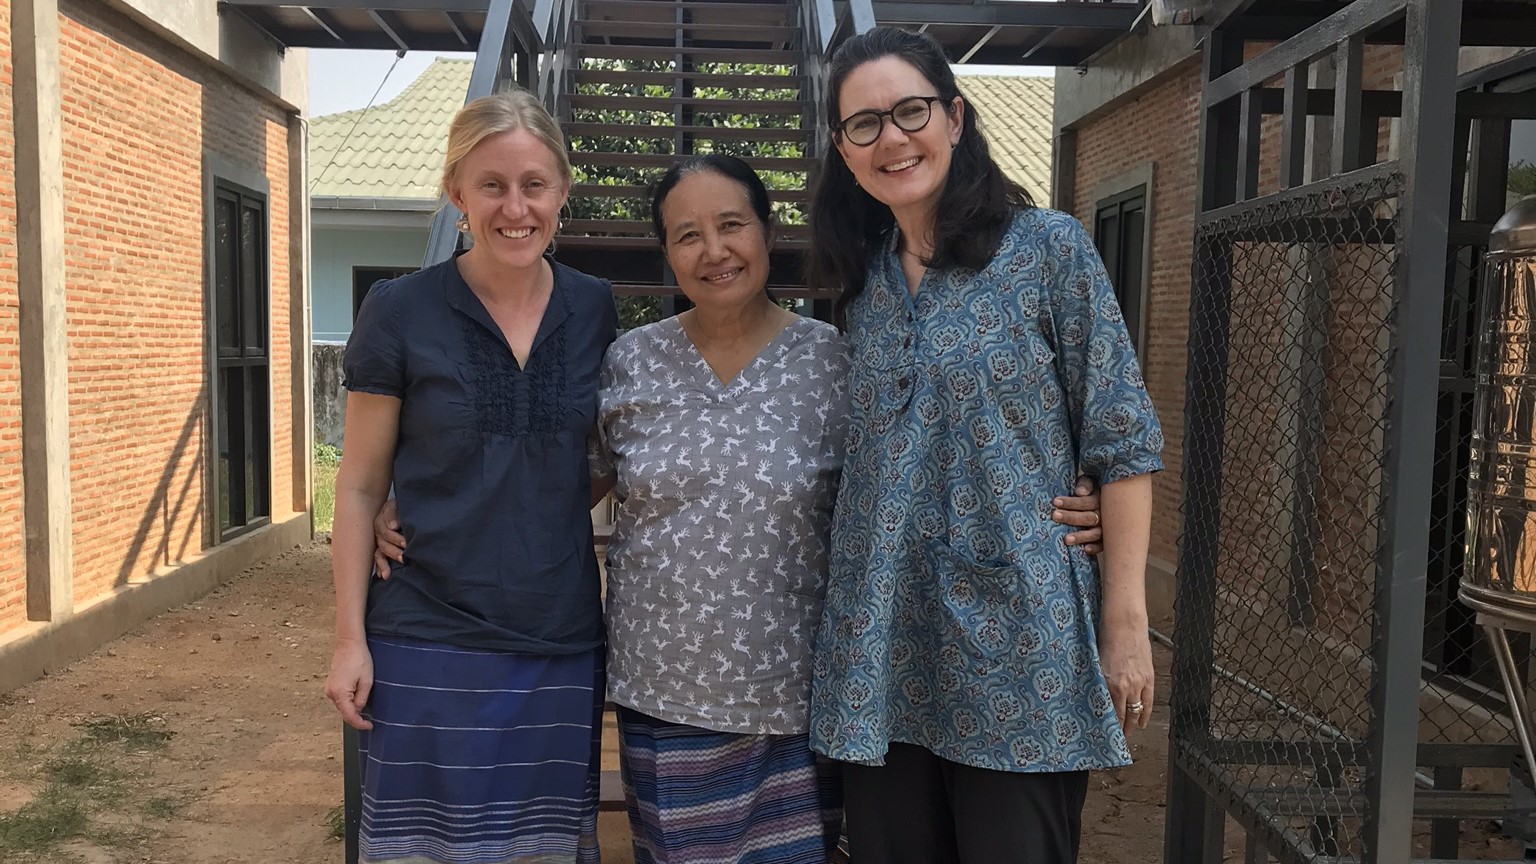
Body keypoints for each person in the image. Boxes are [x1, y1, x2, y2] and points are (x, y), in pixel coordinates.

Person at [372, 153, 1110, 864]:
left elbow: (915, 474)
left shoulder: (836, 361)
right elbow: (562, 481)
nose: (714, 251)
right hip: (662, 686)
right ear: (668, 252)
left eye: (732, 225)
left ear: (767, 230)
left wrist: (1073, 498)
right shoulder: (630, 361)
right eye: (687, 235)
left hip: (794, 693)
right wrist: (412, 509)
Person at [804, 27, 1165, 864]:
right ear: (844, 150)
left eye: (911, 111)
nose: (892, 138)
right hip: (881, 647)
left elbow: (1121, 440)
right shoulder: (861, 283)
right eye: (865, 124)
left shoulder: (1048, 249)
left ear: (955, 118)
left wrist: (1125, 625)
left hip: (1018, 643)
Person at [323, 91, 614, 864]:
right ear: (456, 191)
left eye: (533, 185)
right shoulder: (399, 310)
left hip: (558, 635)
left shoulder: (594, 307)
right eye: (492, 185)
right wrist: (349, 639)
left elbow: (584, 462)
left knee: (541, 848)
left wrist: (514, 504)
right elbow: (358, 484)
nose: (515, 208)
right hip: (426, 633)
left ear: (562, 189)